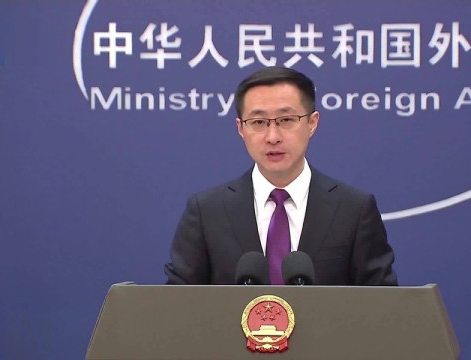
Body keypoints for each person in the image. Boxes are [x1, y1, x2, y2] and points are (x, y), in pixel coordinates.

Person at [164, 67, 396, 285]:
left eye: (286, 120)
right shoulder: (207, 212)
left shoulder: (353, 210)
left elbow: (383, 304)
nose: (273, 137)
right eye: (258, 122)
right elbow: (178, 304)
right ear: (240, 128)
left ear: (312, 123)